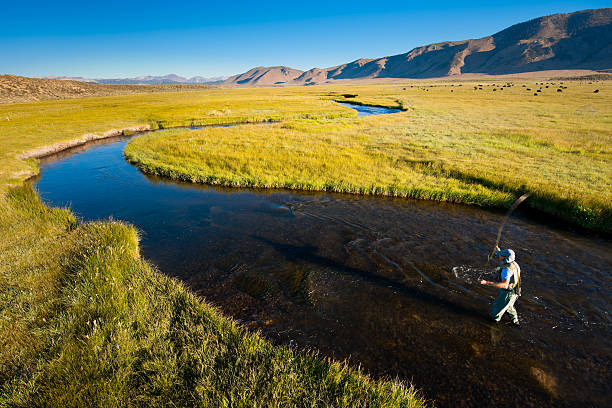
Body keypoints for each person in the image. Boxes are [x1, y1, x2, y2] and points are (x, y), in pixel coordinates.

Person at [480, 248, 521, 326]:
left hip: (508, 293)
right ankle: (515, 322)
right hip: (516, 290)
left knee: (496, 311)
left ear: (505, 257)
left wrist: (486, 282)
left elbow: (505, 285)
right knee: (509, 306)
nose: (499, 256)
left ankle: (493, 325)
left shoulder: (507, 270)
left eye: (501, 255)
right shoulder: (515, 264)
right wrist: (499, 250)